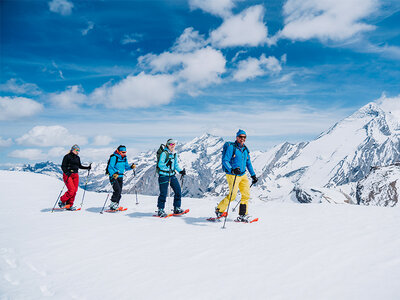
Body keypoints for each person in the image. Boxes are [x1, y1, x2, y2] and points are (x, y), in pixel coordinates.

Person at [216, 129, 258, 222]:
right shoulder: (232, 148)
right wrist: (232, 169)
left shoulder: (245, 149)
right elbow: (225, 160)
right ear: (237, 137)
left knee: (246, 195)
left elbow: (248, 163)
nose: (242, 139)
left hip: (243, 175)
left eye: (244, 137)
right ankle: (219, 210)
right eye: (240, 137)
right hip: (232, 175)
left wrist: (253, 175)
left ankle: (243, 215)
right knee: (232, 195)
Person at [156, 139, 186, 217]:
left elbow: (175, 165)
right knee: (163, 193)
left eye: (174, 144)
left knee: (178, 190)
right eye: (171, 144)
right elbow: (160, 165)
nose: (173, 146)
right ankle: (160, 210)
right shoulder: (164, 153)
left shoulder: (174, 154)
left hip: (172, 175)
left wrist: (180, 171)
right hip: (163, 176)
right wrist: (167, 165)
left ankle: (177, 208)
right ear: (167, 145)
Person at [59, 144, 91, 210]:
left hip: (76, 175)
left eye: (78, 150)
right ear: (73, 149)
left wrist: (87, 167)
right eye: (77, 150)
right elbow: (63, 166)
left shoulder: (77, 158)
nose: (78, 151)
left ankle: (69, 205)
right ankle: (62, 201)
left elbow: (79, 166)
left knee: (75, 190)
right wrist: (66, 172)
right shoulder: (67, 156)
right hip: (68, 175)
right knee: (71, 190)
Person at [107, 145, 136, 210]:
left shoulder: (124, 158)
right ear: (119, 151)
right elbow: (110, 167)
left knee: (119, 191)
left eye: (125, 152)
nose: (124, 153)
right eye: (123, 152)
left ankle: (116, 204)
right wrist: (114, 173)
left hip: (120, 176)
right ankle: (113, 204)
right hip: (113, 176)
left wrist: (131, 167)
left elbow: (126, 167)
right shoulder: (114, 157)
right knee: (117, 190)